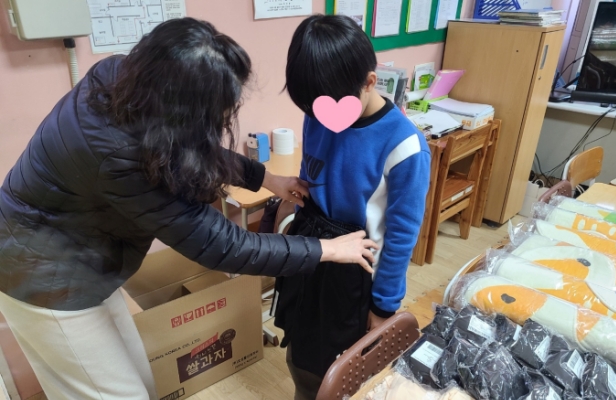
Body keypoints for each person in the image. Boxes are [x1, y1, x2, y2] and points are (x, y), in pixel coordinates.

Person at [0, 18, 378, 400]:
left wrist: (266, 178)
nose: (224, 119)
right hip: (38, 274)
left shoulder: (125, 78)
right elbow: (222, 244)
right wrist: (325, 249)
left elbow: (191, 149)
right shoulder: (119, 156)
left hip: (84, 255)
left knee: (142, 381)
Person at [273, 14, 431, 400]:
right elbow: (312, 174)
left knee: (341, 372)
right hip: (311, 253)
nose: (320, 117)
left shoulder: (405, 146)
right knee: (301, 356)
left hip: (356, 276)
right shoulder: (319, 112)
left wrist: (383, 306)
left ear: (370, 82)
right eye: (312, 107)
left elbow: (401, 236)